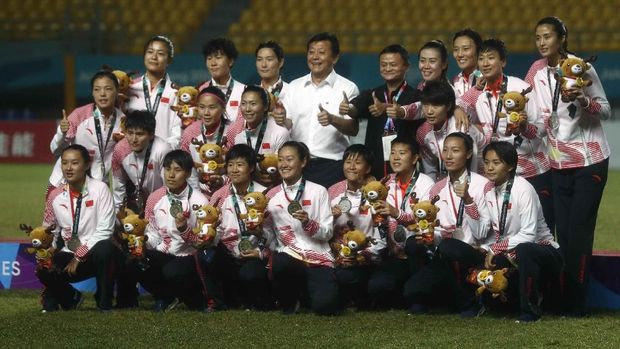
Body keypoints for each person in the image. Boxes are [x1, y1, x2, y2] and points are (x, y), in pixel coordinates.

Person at [526, 17, 610, 317]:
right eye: (538, 37)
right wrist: (523, 126)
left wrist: (584, 100)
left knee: (578, 233)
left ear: (562, 38)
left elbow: (605, 108)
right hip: (557, 162)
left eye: (548, 36)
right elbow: (535, 118)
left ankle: (576, 304)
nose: (542, 42)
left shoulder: (581, 67)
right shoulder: (535, 71)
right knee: (562, 234)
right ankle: (563, 297)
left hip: (590, 162)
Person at [457, 38, 554, 231]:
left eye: (491, 58)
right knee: (508, 227)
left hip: (533, 171)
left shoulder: (520, 88)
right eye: (481, 59)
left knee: (544, 229)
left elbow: (542, 128)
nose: (485, 63)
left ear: (503, 62)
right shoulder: (478, 92)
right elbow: (460, 102)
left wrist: (524, 127)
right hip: (502, 174)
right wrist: (459, 109)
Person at [403, 132, 492, 317]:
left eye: (455, 150)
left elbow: (483, 231)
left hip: (473, 250)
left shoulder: (483, 185)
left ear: (468, 154)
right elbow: (437, 230)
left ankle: (470, 302)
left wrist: (468, 201)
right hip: (444, 250)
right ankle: (421, 300)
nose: (449, 156)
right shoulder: (437, 188)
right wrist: (428, 236)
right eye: (445, 150)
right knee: (414, 243)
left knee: (449, 247)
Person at [481, 141, 562, 322]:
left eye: (496, 162)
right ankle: (494, 304)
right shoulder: (488, 190)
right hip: (513, 252)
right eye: (486, 162)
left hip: (544, 250)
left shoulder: (523, 188)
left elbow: (529, 235)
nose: (490, 167)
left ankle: (530, 311)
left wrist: (495, 249)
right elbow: (491, 231)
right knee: (485, 260)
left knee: (525, 249)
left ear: (510, 166)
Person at [39, 144, 118, 312]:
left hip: (96, 253)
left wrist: (79, 256)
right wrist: (48, 250)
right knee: (44, 266)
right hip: (69, 254)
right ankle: (71, 298)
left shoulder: (100, 189)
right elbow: (49, 230)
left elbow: (105, 230)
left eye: (74, 163)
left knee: (105, 248)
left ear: (87, 165)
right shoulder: (55, 195)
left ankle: (104, 303)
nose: (68, 168)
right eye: (64, 163)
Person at [264, 141, 339, 315]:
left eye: (289, 159)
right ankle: (290, 301)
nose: (283, 164)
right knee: (280, 262)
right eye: (280, 159)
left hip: (318, 255)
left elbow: (327, 233)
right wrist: (265, 236)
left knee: (325, 308)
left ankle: (308, 294)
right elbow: (269, 234)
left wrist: (308, 223)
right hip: (289, 256)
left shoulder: (319, 191)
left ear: (303, 162)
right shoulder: (271, 196)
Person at [281, 32, 360, 188]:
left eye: (321, 52)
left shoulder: (348, 88)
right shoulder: (294, 87)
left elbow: (353, 128)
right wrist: (281, 119)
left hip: (331, 166)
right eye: (311, 52)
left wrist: (332, 119)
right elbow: (288, 124)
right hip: (297, 166)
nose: (315, 57)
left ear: (335, 58)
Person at [366, 136, 435, 309]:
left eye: (402, 153)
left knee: (414, 245)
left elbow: (425, 219)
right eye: (393, 153)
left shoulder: (426, 183)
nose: (395, 157)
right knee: (376, 288)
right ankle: (404, 293)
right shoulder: (385, 182)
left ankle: (419, 297)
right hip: (395, 253)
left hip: (420, 251)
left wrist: (397, 213)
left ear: (415, 158)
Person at [138, 149, 210, 312]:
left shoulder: (200, 201)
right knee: (134, 260)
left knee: (173, 271)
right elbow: (153, 233)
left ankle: (194, 299)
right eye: (167, 169)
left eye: (177, 170)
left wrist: (184, 229)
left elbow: (202, 243)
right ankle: (165, 296)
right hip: (163, 253)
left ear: (188, 173)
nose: (171, 175)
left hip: (189, 256)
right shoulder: (155, 197)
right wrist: (143, 242)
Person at [341, 44, 421, 179]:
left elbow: (417, 112)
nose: (387, 68)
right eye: (383, 65)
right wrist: (347, 108)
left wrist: (386, 107)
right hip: (374, 167)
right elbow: (355, 109)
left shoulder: (416, 96)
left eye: (393, 64)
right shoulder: (372, 94)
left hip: (404, 165)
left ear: (406, 66)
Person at [207, 144, 272, 310]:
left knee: (250, 274)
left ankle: (261, 302)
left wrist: (260, 251)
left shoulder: (265, 195)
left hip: (255, 253)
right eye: (230, 165)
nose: (234, 170)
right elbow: (214, 228)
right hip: (229, 254)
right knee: (206, 255)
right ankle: (218, 302)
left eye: (240, 165)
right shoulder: (219, 196)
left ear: (251, 168)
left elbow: (275, 232)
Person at [327, 144, 386, 309]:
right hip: (337, 256)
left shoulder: (376, 194)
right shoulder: (333, 191)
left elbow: (382, 237)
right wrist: (330, 218)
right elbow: (323, 231)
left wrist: (360, 256)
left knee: (348, 278)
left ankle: (359, 296)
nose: (351, 167)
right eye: (348, 162)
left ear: (368, 168)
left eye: (358, 163)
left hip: (365, 260)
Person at [48, 70, 124, 191]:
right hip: (66, 181)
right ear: (92, 93)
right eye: (97, 89)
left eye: (108, 89)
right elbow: (54, 149)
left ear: (117, 91)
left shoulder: (122, 121)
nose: (102, 94)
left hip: (98, 184)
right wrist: (61, 133)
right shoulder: (78, 115)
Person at [416, 80, 485, 181]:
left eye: (435, 106)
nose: (429, 111)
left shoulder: (461, 127)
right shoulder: (422, 132)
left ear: (448, 106)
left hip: (481, 175)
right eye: (426, 105)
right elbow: (430, 170)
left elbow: (472, 167)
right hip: (451, 176)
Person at [126, 35, 181, 149]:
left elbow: (178, 129)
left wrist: (164, 151)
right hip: (133, 156)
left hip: (164, 158)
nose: (154, 57)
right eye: (150, 52)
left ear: (169, 60)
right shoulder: (130, 88)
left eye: (160, 54)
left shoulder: (176, 92)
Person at [111, 110, 171, 214]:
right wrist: (118, 213)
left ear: (151, 135)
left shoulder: (163, 150)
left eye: (139, 134)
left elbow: (169, 187)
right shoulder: (120, 150)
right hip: (138, 201)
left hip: (162, 203)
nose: (134, 139)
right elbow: (118, 185)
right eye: (129, 133)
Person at [180, 86, 235, 197]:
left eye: (212, 107)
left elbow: (241, 168)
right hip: (198, 194)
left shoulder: (232, 131)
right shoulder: (190, 132)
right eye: (201, 107)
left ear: (223, 108)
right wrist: (197, 195)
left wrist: (223, 181)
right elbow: (187, 169)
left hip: (229, 193)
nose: (206, 113)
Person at [198, 37, 246, 122]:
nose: (213, 63)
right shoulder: (200, 91)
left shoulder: (244, 91)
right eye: (209, 58)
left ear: (230, 61)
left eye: (218, 57)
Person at [452, 28, 484, 98]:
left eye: (466, 49)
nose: (460, 54)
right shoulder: (453, 82)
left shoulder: (487, 79)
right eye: (456, 49)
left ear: (478, 50)